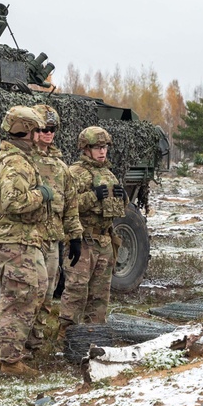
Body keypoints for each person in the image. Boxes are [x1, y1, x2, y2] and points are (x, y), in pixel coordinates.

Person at [0, 106, 53, 378]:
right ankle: (10, 361)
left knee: (36, 288)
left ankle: (2, 351)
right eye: (37, 130)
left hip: (22, 238)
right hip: (14, 239)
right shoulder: (15, 162)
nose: (40, 136)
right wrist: (41, 195)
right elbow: (13, 201)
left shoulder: (15, 158)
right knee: (20, 296)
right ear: (24, 131)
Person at [58, 126, 126, 336]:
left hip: (105, 241)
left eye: (104, 147)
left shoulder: (108, 174)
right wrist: (92, 196)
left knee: (100, 293)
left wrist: (123, 198)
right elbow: (64, 205)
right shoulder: (74, 173)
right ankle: (66, 331)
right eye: (97, 147)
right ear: (85, 149)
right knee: (76, 289)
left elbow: (118, 208)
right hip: (83, 240)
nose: (102, 151)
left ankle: (94, 333)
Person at [30, 104, 82, 347]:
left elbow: (70, 204)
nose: (48, 134)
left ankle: (35, 340)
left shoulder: (62, 168)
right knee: (29, 291)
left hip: (53, 239)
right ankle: (16, 343)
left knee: (48, 292)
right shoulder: (23, 161)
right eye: (43, 129)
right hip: (28, 238)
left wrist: (75, 237)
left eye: (52, 129)